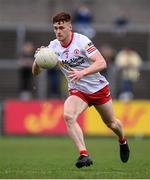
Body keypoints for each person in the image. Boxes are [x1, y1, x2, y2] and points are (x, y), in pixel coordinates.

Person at [32, 12, 130, 168]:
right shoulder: (53, 47)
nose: (58, 31)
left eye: (61, 27)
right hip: (78, 91)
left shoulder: (82, 41)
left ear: (69, 27)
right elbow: (35, 73)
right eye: (55, 28)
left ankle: (122, 140)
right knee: (68, 116)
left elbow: (102, 62)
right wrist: (38, 59)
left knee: (111, 123)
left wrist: (82, 72)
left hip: (98, 88)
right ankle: (84, 154)